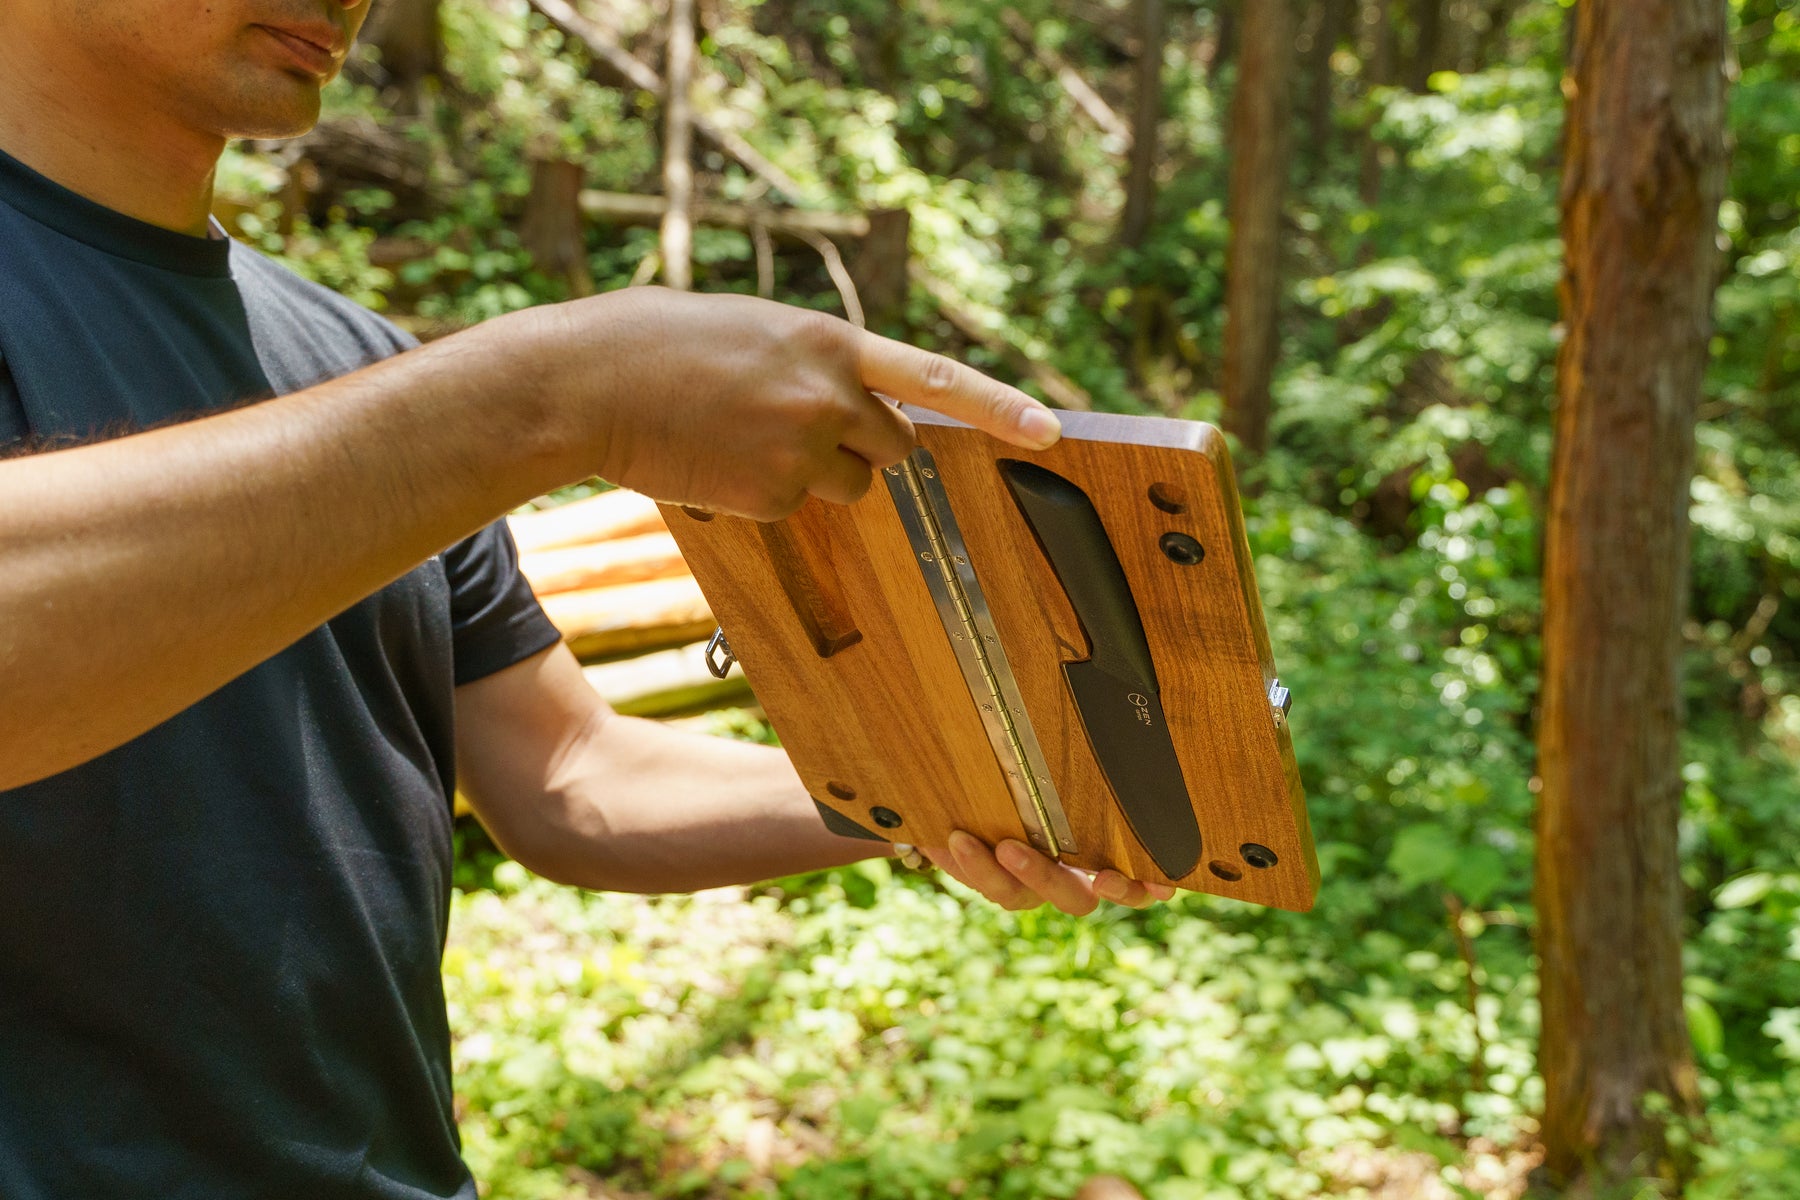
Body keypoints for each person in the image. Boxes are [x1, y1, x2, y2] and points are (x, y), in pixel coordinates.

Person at [0, 2, 1176, 1196]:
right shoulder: (440, 413)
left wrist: (972, 779)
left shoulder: (357, 360)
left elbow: (568, 778)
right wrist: (552, 396)